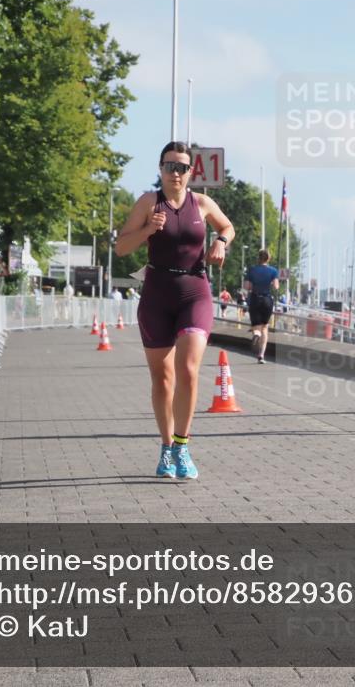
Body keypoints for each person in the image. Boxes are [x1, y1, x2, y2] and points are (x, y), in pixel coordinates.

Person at [115, 141, 235, 480]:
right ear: (160, 169)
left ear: (191, 172)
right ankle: (167, 447)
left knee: (188, 368)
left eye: (182, 167)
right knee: (163, 378)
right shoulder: (148, 202)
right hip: (156, 295)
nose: (176, 173)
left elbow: (227, 226)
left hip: (194, 292)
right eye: (170, 166)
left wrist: (221, 241)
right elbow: (122, 247)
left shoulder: (203, 203)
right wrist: (148, 230)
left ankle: (182, 445)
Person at [244, 249, 279, 363]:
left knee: (256, 326)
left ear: (258, 258)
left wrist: (253, 285)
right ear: (268, 258)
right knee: (265, 327)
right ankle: (261, 355)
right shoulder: (273, 271)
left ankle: (256, 334)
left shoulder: (252, 270)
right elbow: (276, 287)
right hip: (267, 300)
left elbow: (247, 286)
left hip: (255, 299)